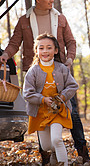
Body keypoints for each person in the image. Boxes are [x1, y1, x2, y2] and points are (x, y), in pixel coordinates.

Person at [0, 0, 90, 163]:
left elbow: (71, 42)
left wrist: (69, 59)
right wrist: (5, 54)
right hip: (37, 72)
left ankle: (82, 152)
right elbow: (14, 43)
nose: (52, 0)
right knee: (40, 113)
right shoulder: (24, 21)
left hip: (60, 71)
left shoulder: (60, 18)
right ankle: (46, 156)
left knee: (72, 114)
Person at [23, 33, 78, 166]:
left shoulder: (62, 68)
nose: (45, 51)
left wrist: (62, 97)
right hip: (40, 112)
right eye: (41, 48)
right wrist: (42, 99)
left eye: (49, 47)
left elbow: (72, 85)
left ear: (56, 50)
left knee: (57, 140)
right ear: (36, 51)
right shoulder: (33, 71)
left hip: (58, 111)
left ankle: (63, 163)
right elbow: (27, 93)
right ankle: (55, 156)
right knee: (47, 145)